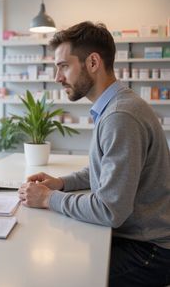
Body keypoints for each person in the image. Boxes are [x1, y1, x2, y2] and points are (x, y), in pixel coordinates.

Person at [18, 21, 170, 286]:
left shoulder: (120, 116)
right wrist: (62, 183)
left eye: (64, 66)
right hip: (136, 238)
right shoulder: (116, 106)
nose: (57, 77)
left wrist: (48, 198)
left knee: (58, 277)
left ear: (93, 63)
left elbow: (109, 210)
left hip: (149, 251)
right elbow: (104, 168)